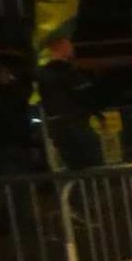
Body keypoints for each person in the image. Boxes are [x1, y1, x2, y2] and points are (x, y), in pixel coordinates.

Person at [35, 34, 102, 171]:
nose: (72, 49)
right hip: (75, 121)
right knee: (92, 162)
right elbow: (82, 95)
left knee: (73, 164)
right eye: (69, 46)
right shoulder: (68, 71)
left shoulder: (43, 74)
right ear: (62, 48)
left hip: (57, 124)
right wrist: (98, 113)